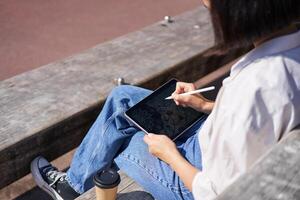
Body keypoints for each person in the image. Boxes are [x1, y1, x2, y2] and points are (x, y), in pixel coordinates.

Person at [31, 0, 300, 200]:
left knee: (123, 136)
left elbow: (217, 192)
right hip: (217, 145)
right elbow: (262, 118)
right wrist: (206, 106)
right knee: (123, 98)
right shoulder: (288, 58)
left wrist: (169, 154)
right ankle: (75, 183)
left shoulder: (256, 84)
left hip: (195, 181)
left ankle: (72, 189)